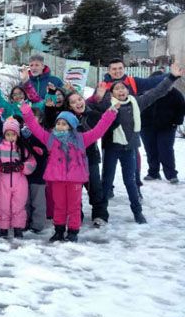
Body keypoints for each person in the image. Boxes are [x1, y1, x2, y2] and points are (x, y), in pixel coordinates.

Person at [95, 67, 181, 224]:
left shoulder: (136, 102)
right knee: (106, 181)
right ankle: (101, 214)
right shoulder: (107, 104)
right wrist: (98, 98)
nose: (121, 91)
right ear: (111, 93)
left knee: (131, 181)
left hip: (129, 148)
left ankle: (137, 212)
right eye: (117, 89)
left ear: (128, 91)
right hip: (112, 148)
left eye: (123, 88)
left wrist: (172, 78)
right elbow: (90, 110)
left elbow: (156, 92)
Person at [20, 102, 117, 242]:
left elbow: (99, 130)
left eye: (64, 124)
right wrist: (27, 112)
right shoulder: (50, 138)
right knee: (59, 206)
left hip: (75, 180)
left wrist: (110, 113)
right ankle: (59, 230)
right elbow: (34, 127)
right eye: (58, 123)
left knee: (74, 207)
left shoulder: (81, 139)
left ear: (72, 126)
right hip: (57, 179)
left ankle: (73, 231)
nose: (60, 126)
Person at [63, 91, 109, 227]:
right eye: (73, 102)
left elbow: (104, 122)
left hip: (91, 158)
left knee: (95, 187)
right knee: (74, 189)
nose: (78, 103)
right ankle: (77, 214)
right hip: (72, 161)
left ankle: (100, 214)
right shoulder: (66, 119)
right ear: (69, 106)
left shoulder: (93, 114)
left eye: (79, 99)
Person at [140, 68, 185, 184]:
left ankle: (171, 175)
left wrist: (176, 122)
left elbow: (181, 109)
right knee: (151, 150)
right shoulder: (145, 94)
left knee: (166, 150)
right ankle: (153, 173)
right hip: (147, 126)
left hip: (167, 127)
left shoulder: (175, 94)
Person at [0, 118, 36, 239]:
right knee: (3, 205)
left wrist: (22, 167)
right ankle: (4, 228)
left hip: (20, 182)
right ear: (4, 135)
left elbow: (32, 162)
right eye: (8, 135)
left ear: (17, 135)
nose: (10, 137)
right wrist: (0, 167)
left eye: (13, 134)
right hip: (3, 182)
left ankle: (18, 228)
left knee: (19, 205)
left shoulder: (22, 149)